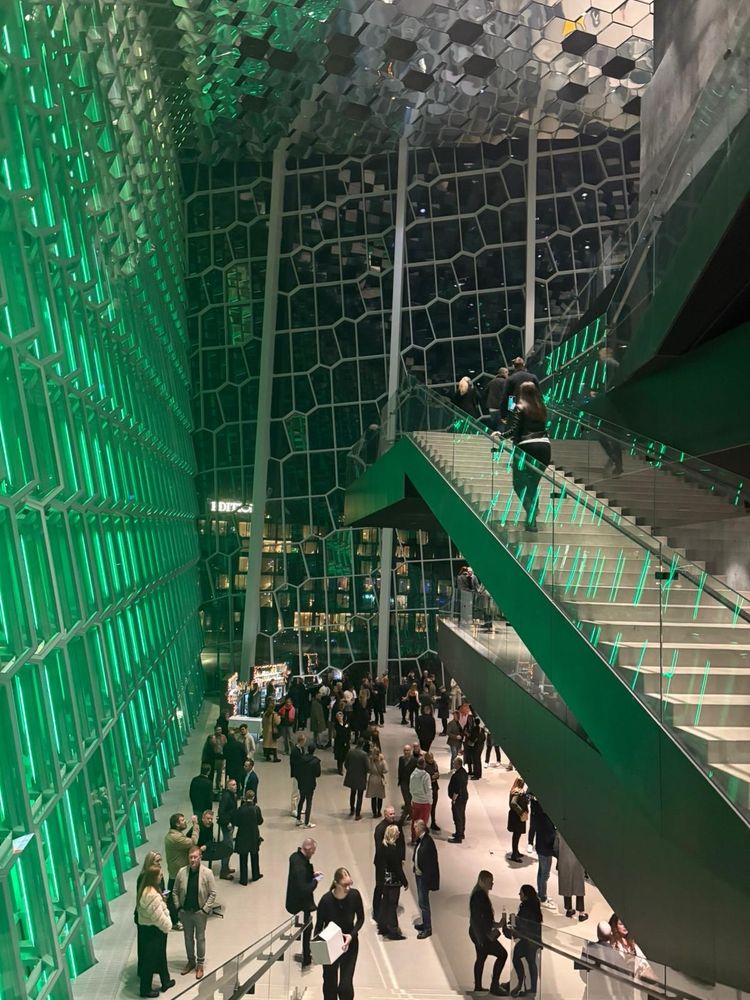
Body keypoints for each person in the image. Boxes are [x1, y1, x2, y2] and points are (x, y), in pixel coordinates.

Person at [501, 381, 550, 532]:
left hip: (527, 447)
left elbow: (514, 430)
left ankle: (531, 513)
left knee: (519, 484)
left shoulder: (520, 407)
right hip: (545, 448)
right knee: (532, 485)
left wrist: (500, 435)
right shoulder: (541, 407)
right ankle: (532, 520)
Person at [314, 867, 365, 1000]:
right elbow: (318, 928)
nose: (348, 888)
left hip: (350, 945)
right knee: (330, 985)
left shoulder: (355, 895)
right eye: (345, 885)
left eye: (350, 884)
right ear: (336, 883)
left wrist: (351, 935)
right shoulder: (326, 901)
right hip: (330, 947)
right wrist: (318, 951)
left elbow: (360, 919)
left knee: (345, 985)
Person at [172, 846, 217, 980]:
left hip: (199, 913)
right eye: (191, 857)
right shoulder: (182, 872)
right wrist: (178, 908)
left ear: (200, 858)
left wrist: (205, 909)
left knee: (200, 938)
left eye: (195, 857)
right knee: (188, 937)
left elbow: (213, 893)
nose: (193, 860)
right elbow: (174, 891)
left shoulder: (207, 873)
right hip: (185, 912)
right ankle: (191, 961)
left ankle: (200, 964)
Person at [136, 863, 174, 997]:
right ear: (153, 877)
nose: (161, 875)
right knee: (150, 961)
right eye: (159, 874)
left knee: (156, 958)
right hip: (154, 932)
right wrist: (168, 926)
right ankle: (145, 990)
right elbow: (158, 917)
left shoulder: (146, 890)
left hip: (150, 931)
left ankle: (165, 981)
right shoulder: (152, 895)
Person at [285, 838, 323, 969]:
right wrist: (316, 880)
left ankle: (307, 954)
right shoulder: (300, 867)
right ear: (308, 849)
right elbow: (305, 888)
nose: (313, 854)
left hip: (294, 900)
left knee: (307, 928)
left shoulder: (295, 858)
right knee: (308, 929)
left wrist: (312, 875)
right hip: (301, 904)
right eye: (313, 851)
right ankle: (307, 957)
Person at [469, 870, 508, 996]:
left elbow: (481, 918)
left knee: (480, 958)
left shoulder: (478, 894)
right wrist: (489, 932)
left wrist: (496, 925)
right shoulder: (480, 896)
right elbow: (482, 918)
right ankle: (494, 986)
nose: (492, 884)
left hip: (478, 933)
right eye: (490, 881)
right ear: (484, 881)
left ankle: (478, 986)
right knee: (502, 954)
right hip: (482, 935)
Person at [502, 884, 543, 997]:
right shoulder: (533, 906)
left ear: (525, 895)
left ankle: (520, 984)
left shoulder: (526, 907)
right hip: (534, 939)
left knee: (519, 957)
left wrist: (514, 922)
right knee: (530, 961)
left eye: (521, 893)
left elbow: (524, 925)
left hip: (529, 939)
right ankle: (530, 987)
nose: (519, 894)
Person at [164, 813, 200, 928]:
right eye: (182, 820)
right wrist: (195, 825)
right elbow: (192, 842)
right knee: (174, 897)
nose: (185, 822)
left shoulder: (174, 835)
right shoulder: (176, 838)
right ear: (176, 824)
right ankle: (175, 921)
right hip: (177, 873)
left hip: (175, 871)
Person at [375, 825, 408, 939]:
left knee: (385, 902)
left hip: (385, 879)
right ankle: (393, 930)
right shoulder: (393, 850)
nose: (399, 833)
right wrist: (405, 881)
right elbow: (397, 869)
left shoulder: (383, 846)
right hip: (393, 881)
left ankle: (382, 926)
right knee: (392, 905)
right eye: (397, 832)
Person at [372, 806, 404, 921]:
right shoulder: (380, 828)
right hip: (382, 864)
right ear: (385, 814)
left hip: (393, 862)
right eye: (390, 814)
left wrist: (402, 858)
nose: (393, 815)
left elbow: (401, 842)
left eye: (394, 813)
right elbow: (379, 848)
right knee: (379, 886)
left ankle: (389, 909)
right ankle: (376, 911)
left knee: (392, 888)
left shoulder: (397, 826)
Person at [412, 819, 439, 939]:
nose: (414, 830)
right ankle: (425, 923)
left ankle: (427, 928)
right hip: (419, 876)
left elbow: (431, 864)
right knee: (422, 902)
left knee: (424, 904)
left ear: (419, 828)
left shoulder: (428, 842)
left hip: (424, 878)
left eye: (415, 828)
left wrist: (427, 880)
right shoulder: (422, 840)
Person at [233, 789, 264, 884]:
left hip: (242, 835)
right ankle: (255, 875)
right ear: (253, 797)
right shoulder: (256, 809)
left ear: (245, 798)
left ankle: (243, 879)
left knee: (243, 857)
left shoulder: (241, 809)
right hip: (254, 835)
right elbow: (260, 821)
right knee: (254, 855)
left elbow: (236, 822)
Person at [556, 832, 588, 920]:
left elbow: (555, 847)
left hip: (564, 860)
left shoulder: (559, 831)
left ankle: (569, 909)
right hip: (577, 862)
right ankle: (581, 913)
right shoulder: (580, 832)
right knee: (579, 887)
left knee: (566, 884)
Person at [532, 800, 557, 911]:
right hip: (546, 850)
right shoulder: (547, 819)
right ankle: (543, 897)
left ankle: (540, 893)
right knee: (545, 875)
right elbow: (551, 835)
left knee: (541, 872)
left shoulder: (538, 817)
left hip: (540, 847)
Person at [197, 809, 233, 878]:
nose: (210, 820)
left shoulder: (211, 825)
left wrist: (206, 845)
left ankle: (225, 869)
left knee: (226, 849)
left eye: (211, 819)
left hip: (207, 846)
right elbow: (189, 839)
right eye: (208, 818)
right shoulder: (197, 827)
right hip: (199, 848)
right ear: (203, 819)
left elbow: (210, 838)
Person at [296, 745, 322, 828]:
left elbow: (298, 770)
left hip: (302, 782)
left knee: (301, 799)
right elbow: (318, 774)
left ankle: (298, 819)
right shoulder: (315, 761)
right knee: (309, 802)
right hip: (310, 783)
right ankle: (306, 822)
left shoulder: (301, 759)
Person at [217, 779, 238, 881]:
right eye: (233, 785)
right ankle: (223, 871)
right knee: (228, 847)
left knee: (229, 846)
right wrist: (227, 822)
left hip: (231, 823)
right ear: (228, 786)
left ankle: (226, 867)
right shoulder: (226, 797)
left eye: (235, 784)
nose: (235, 786)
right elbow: (221, 812)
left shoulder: (232, 795)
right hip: (227, 825)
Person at [343, 739, 369, 820]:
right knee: (360, 796)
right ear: (363, 744)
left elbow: (346, 763)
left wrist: (350, 770)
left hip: (352, 776)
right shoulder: (364, 754)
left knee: (352, 793)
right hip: (361, 777)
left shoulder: (350, 751)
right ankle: (358, 814)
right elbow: (367, 767)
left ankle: (351, 809)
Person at [409, 757, 433, 844]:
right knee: (423, 822)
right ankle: (421, 840)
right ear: (424, 764)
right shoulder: (426, 776)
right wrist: (430, 801)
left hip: (415, 801)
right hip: (424, 802)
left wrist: (413, 797)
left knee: (414, 821)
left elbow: (410, 788)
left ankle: (413, 838)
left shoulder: (412, 774)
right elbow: (428, 790)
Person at [448, 754, 469, 843]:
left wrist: (453, 799)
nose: (453, 764)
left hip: (459, 799)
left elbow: (457, 789)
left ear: (458, 764)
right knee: (462, 815)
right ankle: (460, 832)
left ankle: (458, 837)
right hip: (464, 796)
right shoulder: (464, 772)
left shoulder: (457, 775)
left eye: (454, 763)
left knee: (457, 817)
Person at [507, 778, 528, 863]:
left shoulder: (517, 791)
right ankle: (514, 855)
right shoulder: (517, 792)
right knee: (516, 835)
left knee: (517, 835)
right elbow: (513, 803)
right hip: (517, 817)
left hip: (516, 816)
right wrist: (521, 812)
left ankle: (516, 851)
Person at [201, 727, 226, 794]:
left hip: (221, 758)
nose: (219, 731)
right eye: (217, 730)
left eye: (220, 730)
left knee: (219, 773)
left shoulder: (223, 737)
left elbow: (225, 746)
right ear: (215, 730)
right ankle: (210, 785)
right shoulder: (211, 738)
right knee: (211, 773)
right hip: (214, 759)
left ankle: (218, 785)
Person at [397, 743, 416, 829]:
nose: (406, 752)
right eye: (405, 750)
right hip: (403, 783)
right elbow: (399, 770)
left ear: (410, 751)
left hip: (411, 784)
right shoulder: (401, 759)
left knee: (408, 801)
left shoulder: (414, 761)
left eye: (408, 750)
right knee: (406, 800)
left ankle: (401, 820)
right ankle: (412, 814)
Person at [485, 366, 509, 431]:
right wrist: (510, 408)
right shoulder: (505, 382)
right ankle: (501, 441)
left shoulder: (491, 382)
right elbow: (509, 395)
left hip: (491, 408)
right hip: (501, 409)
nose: (508, 375)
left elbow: (485, 393)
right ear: (504, 373)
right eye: (507, 373)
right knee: (502, 427)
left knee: (495, 427)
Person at [366, 746, 387, 818]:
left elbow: (368, 769)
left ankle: (374, 812)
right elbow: (386, 770)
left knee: (373, 797)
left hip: (372, 778)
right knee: (380, 796)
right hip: (379, 779)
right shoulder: (382, 761)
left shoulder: (370, 760)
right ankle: (379, 812)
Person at [290, 730, 307, 816]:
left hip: (302, 774)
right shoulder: (294, 751)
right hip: (296, 774)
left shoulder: (302, 749)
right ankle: (293, 809)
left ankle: (299, 807)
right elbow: (293, 763)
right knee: (295, 792)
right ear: (301, 741)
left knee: (300, 792)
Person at [423, 751, 440, 832]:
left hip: (434, 787)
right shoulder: (423, 766)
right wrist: (431, 777)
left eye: (432, 758)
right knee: (426, 807)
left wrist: (436, 776)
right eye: (430, 758)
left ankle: (433, 822)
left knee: (433, 807)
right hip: (427, 789)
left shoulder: (434, 764)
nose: (431, 760)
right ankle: (424, 824)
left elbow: (437, 772)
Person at [333, 710, 351, 776]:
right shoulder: (336, 725)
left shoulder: (346, 724)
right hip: (339, 743)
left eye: (341, 716)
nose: (340, 718)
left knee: (345, 756)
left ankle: (344, 766)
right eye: (338, 717)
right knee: (340, 757)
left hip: (346, 742)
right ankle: (340, 769)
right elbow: (338, 734)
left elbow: (348, 732)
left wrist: (348, 740)